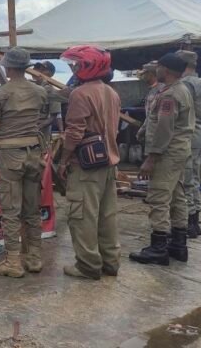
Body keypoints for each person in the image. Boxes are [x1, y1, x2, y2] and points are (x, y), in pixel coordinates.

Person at [0, 47, 48, 278]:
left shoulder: (1, 93)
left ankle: (13, 261)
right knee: (32, 208)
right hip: (34, 153)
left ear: (7, 67)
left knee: (10, 209)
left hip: (10, 153)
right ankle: (35, 258)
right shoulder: (39, 91)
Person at [57, 47, 122, 280]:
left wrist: (64, 160)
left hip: (86, 166)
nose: (74, 69)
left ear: (86, 66)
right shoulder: (111, 93)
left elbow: (75, 132)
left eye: (76, 65)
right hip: (109, 162)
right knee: (107, 216)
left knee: (82, 215)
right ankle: (110, 262)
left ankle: (87, 265)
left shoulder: (80, 94)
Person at [129, 53, 194, 266]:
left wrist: (151, 158)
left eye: (158, 66)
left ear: (165, 70)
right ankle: (178, 244)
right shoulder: (178, 90)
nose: (155, 69)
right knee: (177, 196)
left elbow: (165, 129)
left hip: (167, 154)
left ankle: (158, 248)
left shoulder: (170, 95)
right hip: (179, 152)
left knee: (159, 198)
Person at [177, 50, 201, 239]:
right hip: (198, 133)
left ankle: (189, 222)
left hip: (188, 134)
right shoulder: (199, 82)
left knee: (187, 180)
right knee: (194, 178)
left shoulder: (186, 84)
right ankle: (195, 220)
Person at [136, 61, 163, 145]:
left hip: (155, 135)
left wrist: (141, 131)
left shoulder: (156, 91)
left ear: (151, 74)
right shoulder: (158, 88)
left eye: (144, 73)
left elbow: (150, 115)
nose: (142, 76)